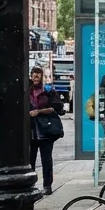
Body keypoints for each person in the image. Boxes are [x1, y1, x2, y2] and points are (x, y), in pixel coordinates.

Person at [28, 65, 65, 195]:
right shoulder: (27, 90)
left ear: (42, 76)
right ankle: (30, 184)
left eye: (38, 74)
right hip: (30, 130)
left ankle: (47, 185)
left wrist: (39, 111)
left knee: (46, 159)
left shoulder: (48, 91)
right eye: (33, 74)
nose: (35, 76)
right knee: (29, 159)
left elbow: (56, 108)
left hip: (46, 130)